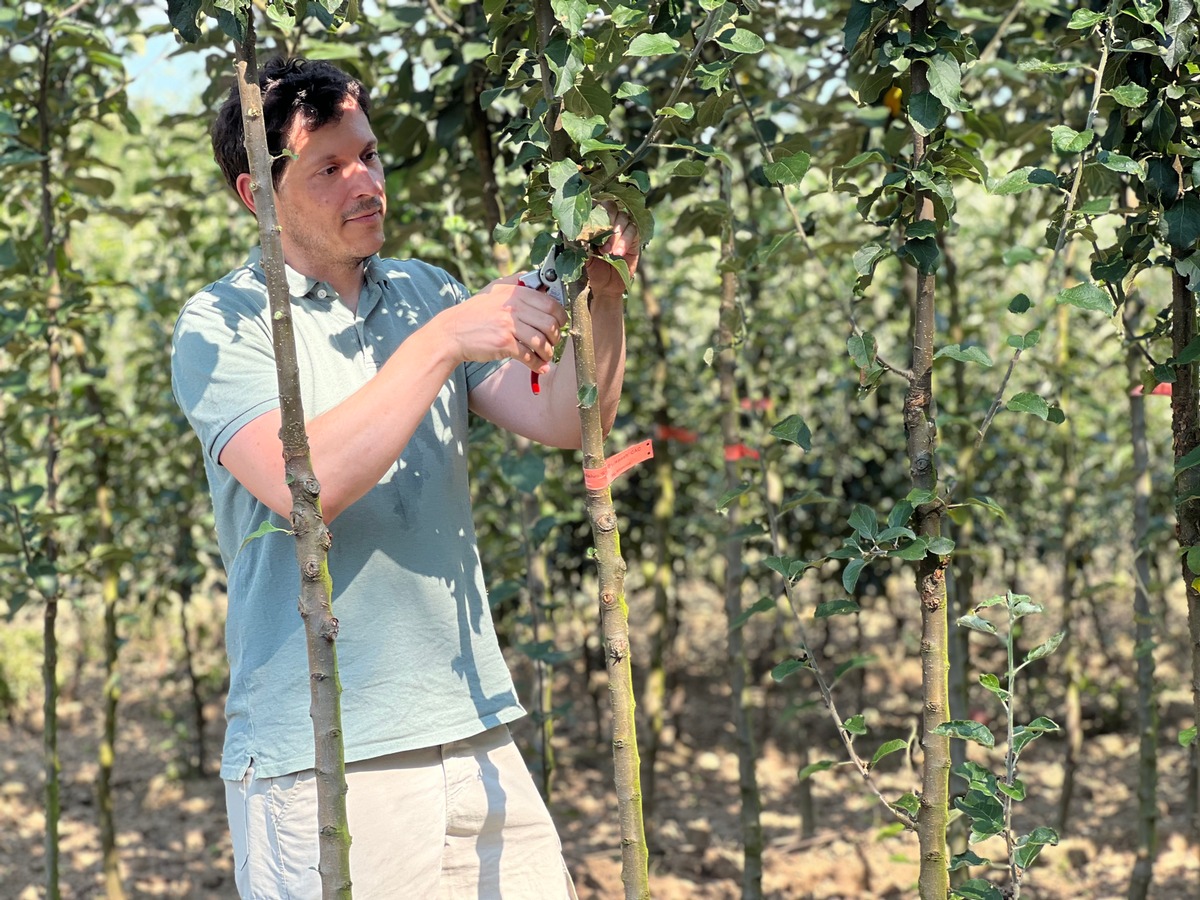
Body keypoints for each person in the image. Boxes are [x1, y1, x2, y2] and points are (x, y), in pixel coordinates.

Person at [170, 56, 638, 899]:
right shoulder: (221, 324)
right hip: (322, 752)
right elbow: (298, 484)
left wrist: (602, 296)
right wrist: (447, 339)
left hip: (474, 723)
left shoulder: (426, 292)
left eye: (371, 155)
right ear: (255, 196)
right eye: (330, 168)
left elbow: (565, 418)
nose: (367, 182)